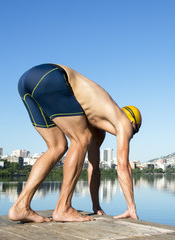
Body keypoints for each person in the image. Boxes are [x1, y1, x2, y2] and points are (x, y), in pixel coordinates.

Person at [9, 63, 141, 223]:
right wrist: (131, 208)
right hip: (51, 75)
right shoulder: (123, 121)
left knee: (57, 146)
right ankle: (63, 208)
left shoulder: (95, 125)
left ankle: (21, 206)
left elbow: (94, 167)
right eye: (134, 132)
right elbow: (123, 166)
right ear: (132, 123)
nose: (130, 137)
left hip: (27, 81)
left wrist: (96, 205)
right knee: (80, 139)